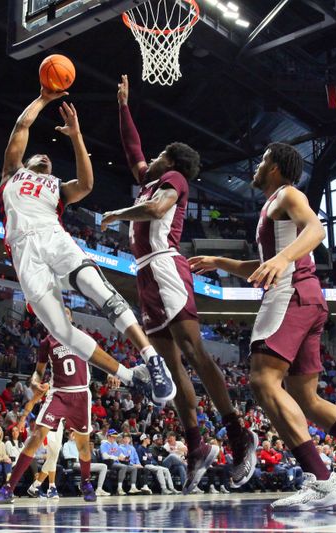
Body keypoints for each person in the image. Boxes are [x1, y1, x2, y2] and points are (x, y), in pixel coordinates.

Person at [189, 143, 336, 511]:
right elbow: (261, 265)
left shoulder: (287, 194)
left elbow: (316, 229)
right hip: (308, 297)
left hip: (289, 295)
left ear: (275, 167)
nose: (257, 166)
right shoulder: (273, 210)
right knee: (306, 399)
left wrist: (281, 259)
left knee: (263, 381)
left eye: (262, 160)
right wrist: (219, 261)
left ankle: (322, 480)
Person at [101, 74, 256, 494]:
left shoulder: (175, 183)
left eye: (159, 154)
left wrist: (119, 213)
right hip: (146, 275)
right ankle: (196, 445)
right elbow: (133, 149)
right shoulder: (152, 177)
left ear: (171, 162)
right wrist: (123, 107)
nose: (149, 157)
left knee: (194, 351)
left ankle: (238, 434)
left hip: (168, 268)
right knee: (170, 367)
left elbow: (155, 210)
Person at [0, 84, 174, 406]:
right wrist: (43, 98)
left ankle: (151, 360)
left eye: (49, 160)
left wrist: (76, 136)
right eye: (41, 156)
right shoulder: (12, 174)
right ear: (28, 160)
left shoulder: (57, 187)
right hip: (24, 255)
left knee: (95, 286)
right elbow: (22, 126)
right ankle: (130, 376)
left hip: (53, 236)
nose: (46, 158)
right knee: (62, 333)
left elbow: (88, 184)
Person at [0, 309, 119, 504]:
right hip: (58, 393)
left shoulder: (82, 337)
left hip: (81, 394)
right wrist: (35, 384)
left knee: (83, 445)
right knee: (36, 436)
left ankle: (86, 483)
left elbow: (100, 358)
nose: (62, 315)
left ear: (71, 318)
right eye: (59, 313)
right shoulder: (47, 342)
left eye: (66, 312)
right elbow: (38, 372)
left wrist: (110, 372)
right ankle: (8, 489)